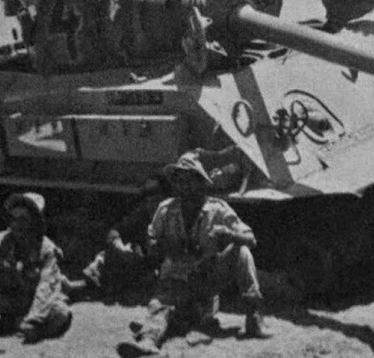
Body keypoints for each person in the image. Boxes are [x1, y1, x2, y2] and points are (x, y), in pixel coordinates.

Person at [116, 151, 269, 357]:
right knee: (162, 306)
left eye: (189, 180)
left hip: (207, 279)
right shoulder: (165, 210)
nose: (184, 186)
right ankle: (148, 342)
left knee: (241, 251)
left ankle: (254, 315)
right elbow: (151, 240)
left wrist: (228, 234)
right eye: (179, 181)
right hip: (174, 280)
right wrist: (160, 245)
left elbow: (251, 239)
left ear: (201, 182)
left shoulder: (217, 209)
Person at [0, 192, 72, 357]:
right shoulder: (2, 241)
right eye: (13, 218)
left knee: (61, 312)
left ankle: (23, 327)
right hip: (7, 298)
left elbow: (46, 288)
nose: (16, 224)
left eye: (23, 219)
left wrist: (34, 319)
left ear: (34, 222)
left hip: (35, 302)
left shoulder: (47, 249)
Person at [77, 177, 167, 297]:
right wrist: (119, 245)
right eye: (148, 200)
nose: (152, 205)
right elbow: (115, 231)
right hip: (142, 262)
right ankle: (85, 285)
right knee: (110, 255)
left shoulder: (170, 216)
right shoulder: (141, 214)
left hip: (163, 266)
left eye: (156, 200)